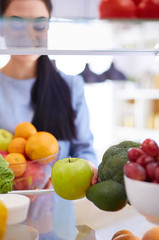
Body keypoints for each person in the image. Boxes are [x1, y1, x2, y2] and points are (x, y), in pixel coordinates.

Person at [0, 0, 98, 182]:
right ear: (2, 27)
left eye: (39, 24)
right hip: (6, 207)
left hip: (58, 205)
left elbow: (85, 150)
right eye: (16, 23)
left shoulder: (71, 86)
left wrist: (89, 167)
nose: (28, 35)